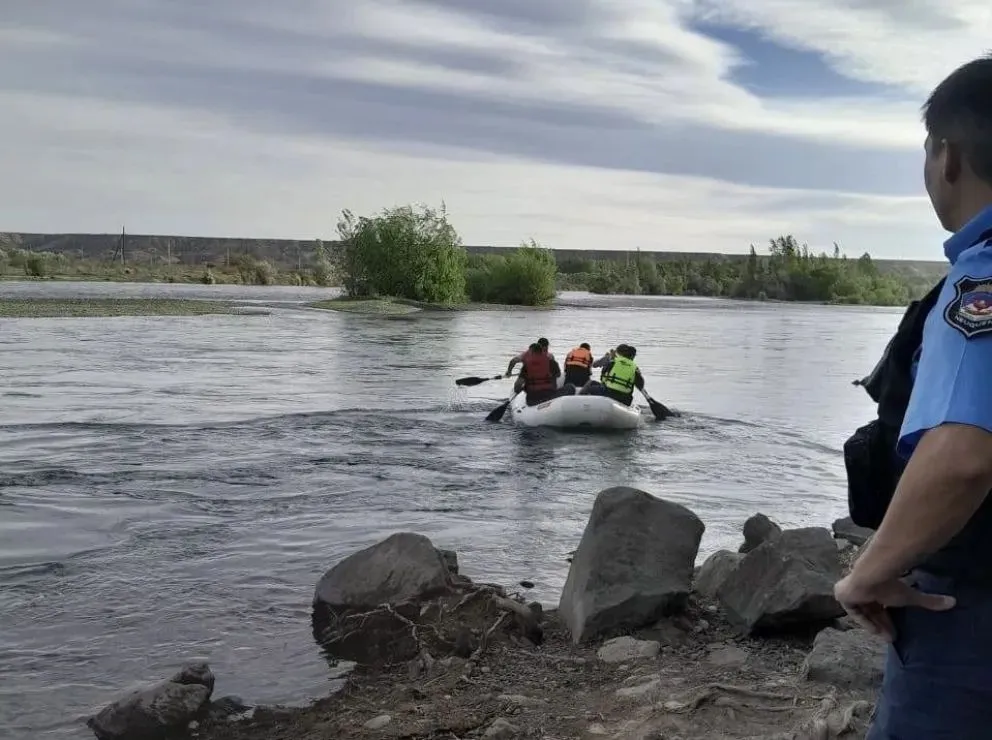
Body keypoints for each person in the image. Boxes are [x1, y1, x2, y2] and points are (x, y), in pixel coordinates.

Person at [835, 54, 992, 739]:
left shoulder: (980, 283)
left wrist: (868, 573)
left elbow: (963, 456)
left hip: (969, 620)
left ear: (947, 157)